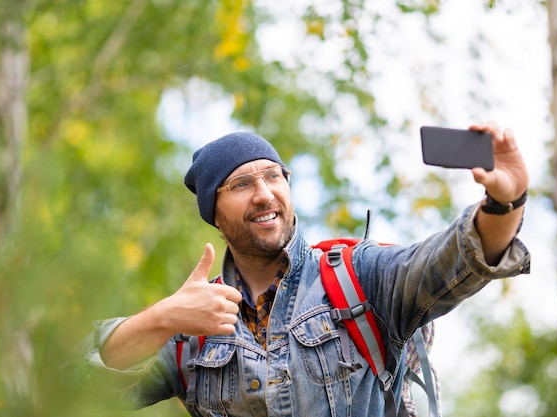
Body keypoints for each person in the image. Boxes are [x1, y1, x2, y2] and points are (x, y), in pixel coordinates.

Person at [75, 123, 530, 417]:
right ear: (215, 212)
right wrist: (163, 318)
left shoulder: (359, 279)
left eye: (274, 176)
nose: (264, 193)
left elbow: (454, 260)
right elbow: (73, 384)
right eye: (242, 183)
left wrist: (504, 203)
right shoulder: (189, 330)